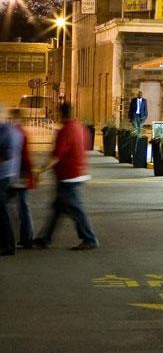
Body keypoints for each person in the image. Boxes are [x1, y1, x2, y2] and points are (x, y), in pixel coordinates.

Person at [37, 103, 97, 251]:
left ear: (60, 113)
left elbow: (56, 155)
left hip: (68, 175)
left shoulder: (65, 130)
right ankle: (45, 238)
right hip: (77, 172)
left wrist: (40, 170)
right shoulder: (80, 127)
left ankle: (89, 239)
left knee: (75, 209)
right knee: (58, 208)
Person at [7, 108, 36, 250]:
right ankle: (26, 238)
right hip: (19, 174)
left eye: (12, 117)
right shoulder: (20, 132)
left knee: (17, 206)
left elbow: (24, 156)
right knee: (22, 206)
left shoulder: (18, 133)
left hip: (17, 175)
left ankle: (25, 238)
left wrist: (26, 175)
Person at [0, 106, 23, 256]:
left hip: (3, 176)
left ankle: (9, 245)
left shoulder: (5, 131)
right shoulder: (12, 130)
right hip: (10, 174)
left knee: (3, 212)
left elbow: (6, 154)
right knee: (5, 211)